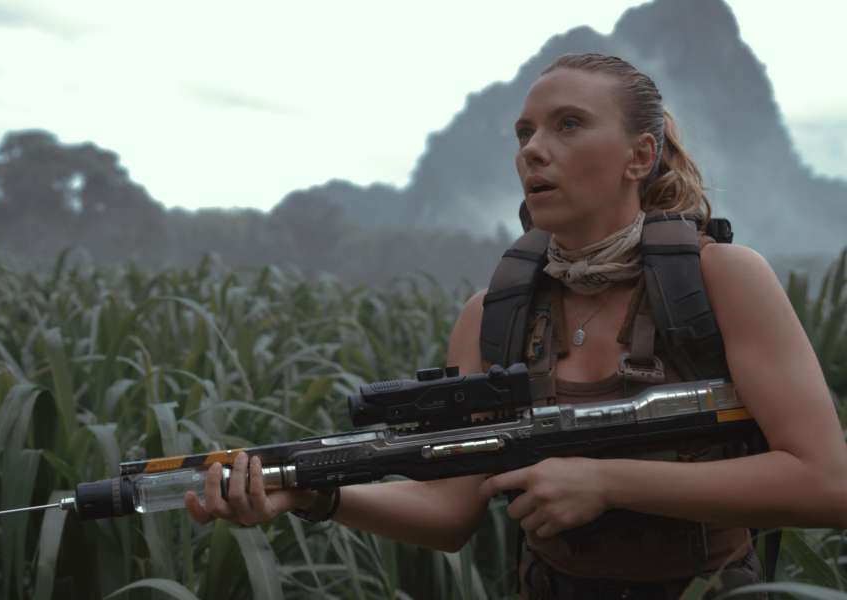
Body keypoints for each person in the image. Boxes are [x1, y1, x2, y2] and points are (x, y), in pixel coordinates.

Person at [184, 53, 847, 598]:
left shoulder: (719, 280)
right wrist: (307, 493)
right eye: (524, 133)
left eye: (568, 125)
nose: (534, 150)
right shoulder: (494, 315)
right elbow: (448, 514)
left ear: (639, 155)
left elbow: (827, 484)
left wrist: (607, 483)